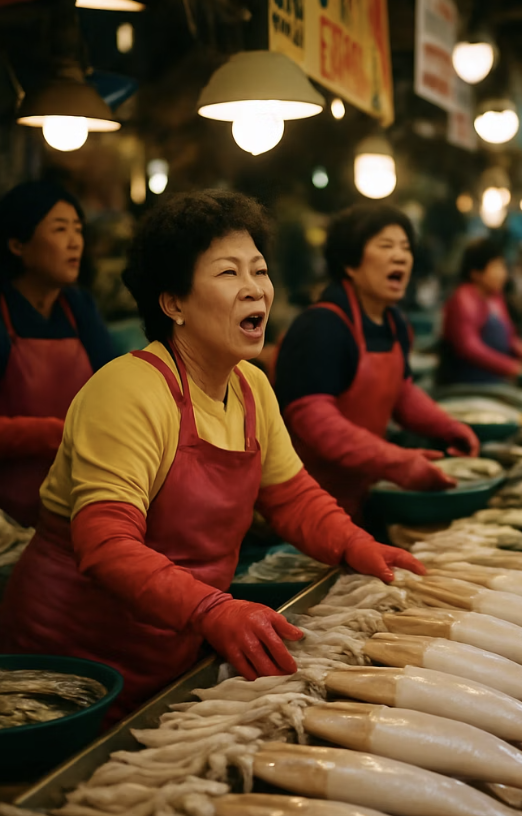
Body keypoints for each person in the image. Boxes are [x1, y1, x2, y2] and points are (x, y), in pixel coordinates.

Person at [0, 191, 425, 722]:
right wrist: (211, 607)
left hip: (173, 653)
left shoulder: (252, 386)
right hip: (67, 672)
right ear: (173, 302)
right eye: (229, 273)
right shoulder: (129, 389)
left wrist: (357, 544)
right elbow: (105, 545)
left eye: (260, 270)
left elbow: (292, 497)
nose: (255, 289)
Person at [273, 203, 479, 523]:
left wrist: (448, 427)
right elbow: (314, 422)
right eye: (385, 246)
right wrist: (397, 462)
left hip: (366, 492)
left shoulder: (394, 322)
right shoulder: (320, 327)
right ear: (350, 263)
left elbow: (401, 393)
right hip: (306, 506)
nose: (400, 256)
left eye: (405, 248)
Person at [0, 181, 114, 527]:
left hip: (76, 504)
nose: (74, 241)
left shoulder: (78, 307)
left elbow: (114, 388)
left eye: (78, 229)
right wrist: (59, 433)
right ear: (18, 244)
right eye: (60, 229)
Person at [440, 238, 522, 384]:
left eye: (503, 267)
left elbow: (509, 335)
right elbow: (469, 348)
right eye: (496, 267)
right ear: (476, 273)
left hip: (495, 379)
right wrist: (510, 366)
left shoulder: (495, 297)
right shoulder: (463, 297)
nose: (503, 274)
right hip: (468, 385)